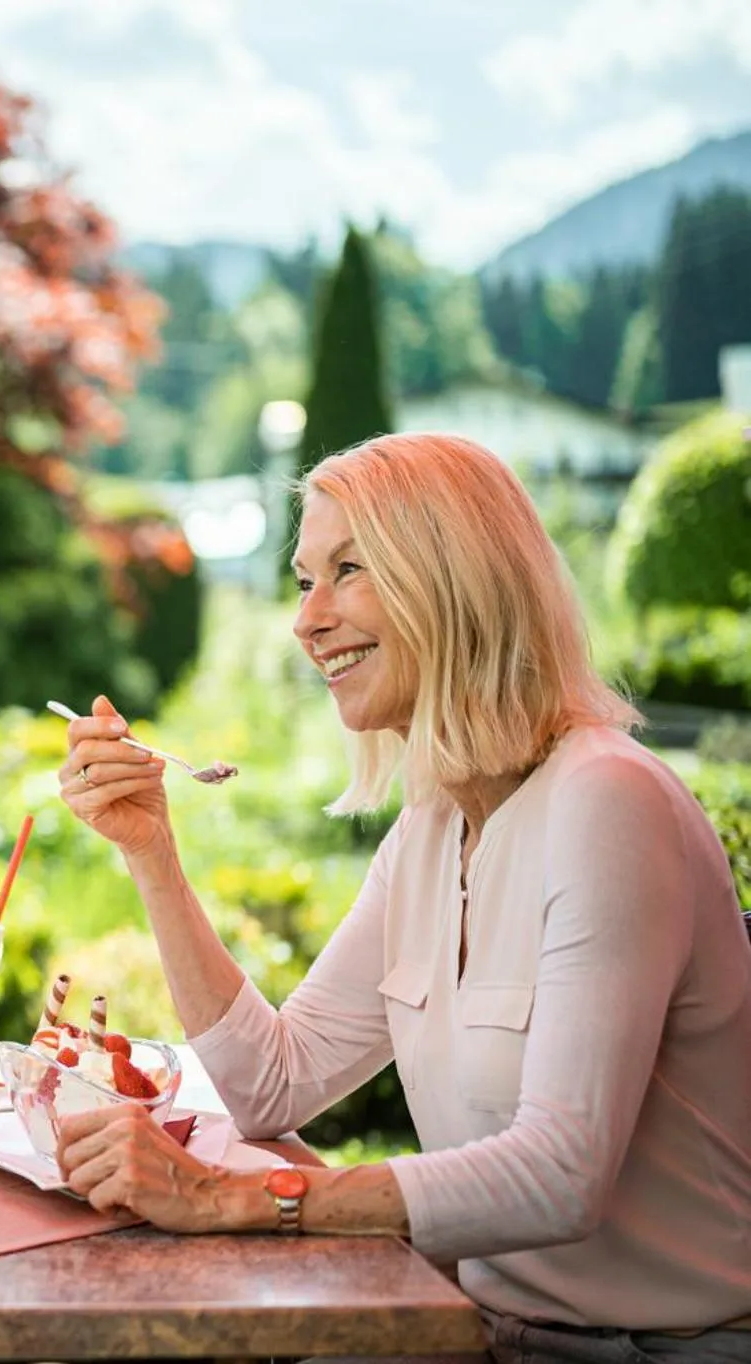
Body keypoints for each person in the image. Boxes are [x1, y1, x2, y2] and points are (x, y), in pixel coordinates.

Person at [53, 432, 751, 1361]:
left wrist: (232, 1200)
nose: (308, 620)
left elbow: (559, 1181)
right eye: (305, 581)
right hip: (483, 1331)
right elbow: (272, 1085)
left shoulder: (608, 801)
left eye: (350, 569)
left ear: (456, 581)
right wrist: (151, 850)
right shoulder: (430, 832)